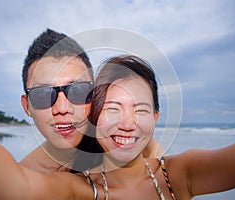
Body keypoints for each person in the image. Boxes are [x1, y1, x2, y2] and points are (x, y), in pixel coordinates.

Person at [0, 55, 235, 200]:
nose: (127, 123)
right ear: (94, 118)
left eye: (140, 109)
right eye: (113, 109)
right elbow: (13, 185)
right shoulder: (78, 190)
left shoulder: (178, 174)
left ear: (155, 117)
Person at [19, 29, 163, 173]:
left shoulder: (122, 134)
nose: (62, 108)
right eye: (43, 95)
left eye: (77, 91)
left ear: (95, 94)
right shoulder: (24, 181)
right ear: (27, 106)